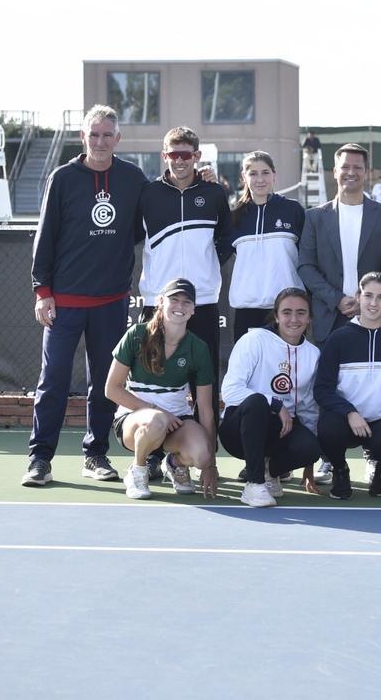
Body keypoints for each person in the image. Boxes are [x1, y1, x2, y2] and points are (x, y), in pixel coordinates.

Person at [23, 105, 148, 488]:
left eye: (107, 135)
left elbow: (143, 225)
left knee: (105, 384)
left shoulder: (133, 178)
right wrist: (43, 291)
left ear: (118, 138)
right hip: (64, 303)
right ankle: (40, 459)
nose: (100, 141)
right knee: (53, 382)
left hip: (111, 302)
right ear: (83, 136)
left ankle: (95, 455)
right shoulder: (62, 178)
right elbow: (45, 235)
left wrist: (202, 181)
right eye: (94, 134)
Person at [298, 143, 381, 484]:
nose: (351, 172)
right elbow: (306, 266)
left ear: (366, 172)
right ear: (335, 171)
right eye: (345, 167)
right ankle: (331, 458)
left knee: (373, 389)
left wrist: (368, 299)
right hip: (331, 314)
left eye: (357, 167)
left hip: (373, 314)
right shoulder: (315, 217)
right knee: (329, 387)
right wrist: (337, 298)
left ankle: (375, 455)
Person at [137, 127, 232, 450]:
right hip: (157, 302)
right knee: (153, 379)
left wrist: (207, 268)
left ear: (197, 156)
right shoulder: (148, 194)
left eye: (186, 155)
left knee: (204, 381)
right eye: (173, 155)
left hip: (201, 301)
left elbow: (226, 239)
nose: (179, 161)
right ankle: (152, 455)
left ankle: (204, 453)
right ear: (164, 156)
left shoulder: (214, 193)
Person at [104, 279, 218, 500]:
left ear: (193, 309)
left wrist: (210, 465)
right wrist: (158, 411)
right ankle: (138, 470)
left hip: (177, 422)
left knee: (202, 455)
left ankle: (174, 464)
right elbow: (111, 389)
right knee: (156, 420)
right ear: (160, 302)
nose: (180, 306)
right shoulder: (137, 335)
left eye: (186, 302)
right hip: (136, 421)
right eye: (174, 299)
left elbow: (206, 410)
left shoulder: (198, 348)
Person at [220, 288, 323, 507]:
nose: (294, 319)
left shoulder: (313, 354)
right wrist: (275, 404)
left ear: (309, 318)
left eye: (301, 313)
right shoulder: (254, 340)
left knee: (311, 447)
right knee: (257, 402)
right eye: (286, 312)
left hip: (280, 430)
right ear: (276, 316)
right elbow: (230, 390)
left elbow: (308, 407)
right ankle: (254, 484)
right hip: (239, 429)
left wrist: (309, 464)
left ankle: (270, 472)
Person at [313, 272, 381, 500]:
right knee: (327, 429)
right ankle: (340, 470)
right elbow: (322, 389)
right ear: (358, 296)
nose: (373, 303)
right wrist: (349, 412)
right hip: (347, 419)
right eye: (368, 295)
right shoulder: (338, 338)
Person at [227, 151, 306, 342]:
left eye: (265, 172)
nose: (260, 179)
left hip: (287, 308)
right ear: (244, 177)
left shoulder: (293, 210)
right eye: (253, 173)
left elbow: (307, 258)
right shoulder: (235, 216)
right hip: (246, 309)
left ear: (274, 175)